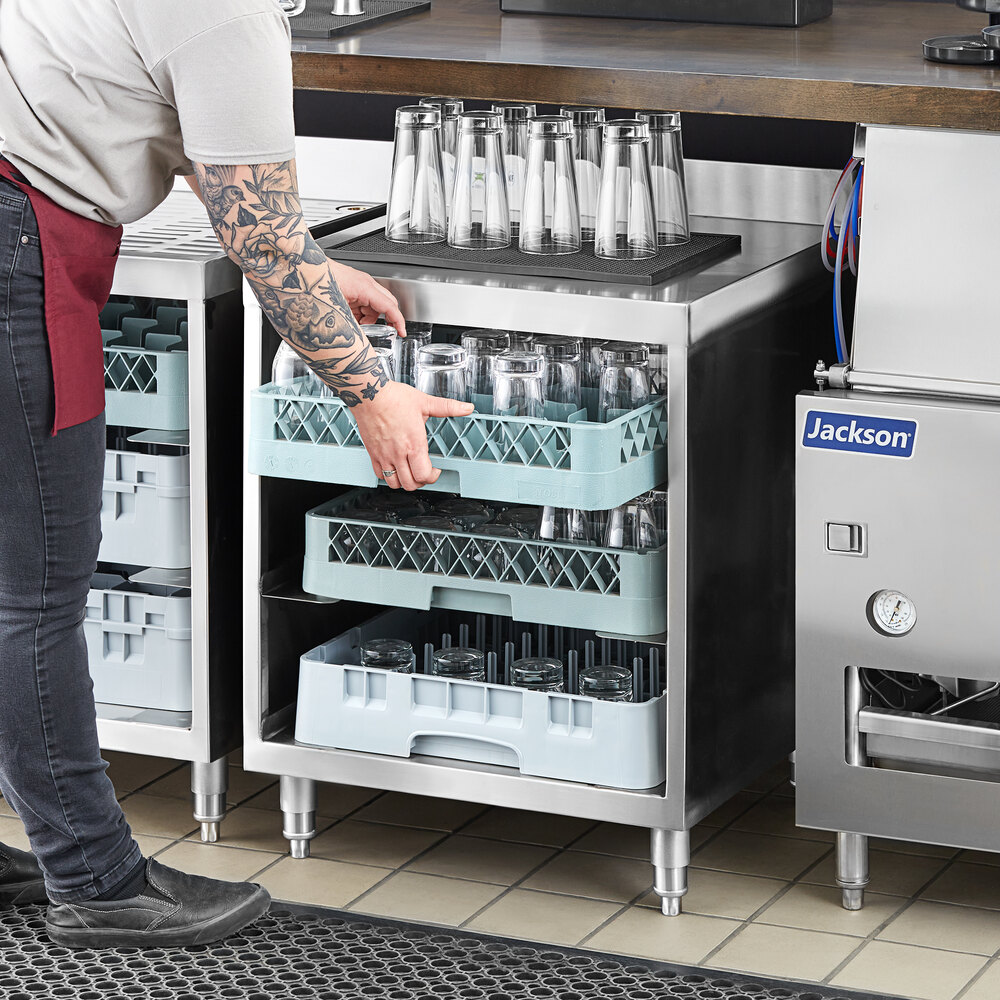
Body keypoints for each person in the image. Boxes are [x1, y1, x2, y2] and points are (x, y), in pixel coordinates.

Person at [0, 0, 471, 948]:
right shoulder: (230, 14)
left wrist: (311, 268)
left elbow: (223, 179)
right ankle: (97, 883)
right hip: (17, 241)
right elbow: (260, 234)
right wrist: (369, 390)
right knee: (33, 597)